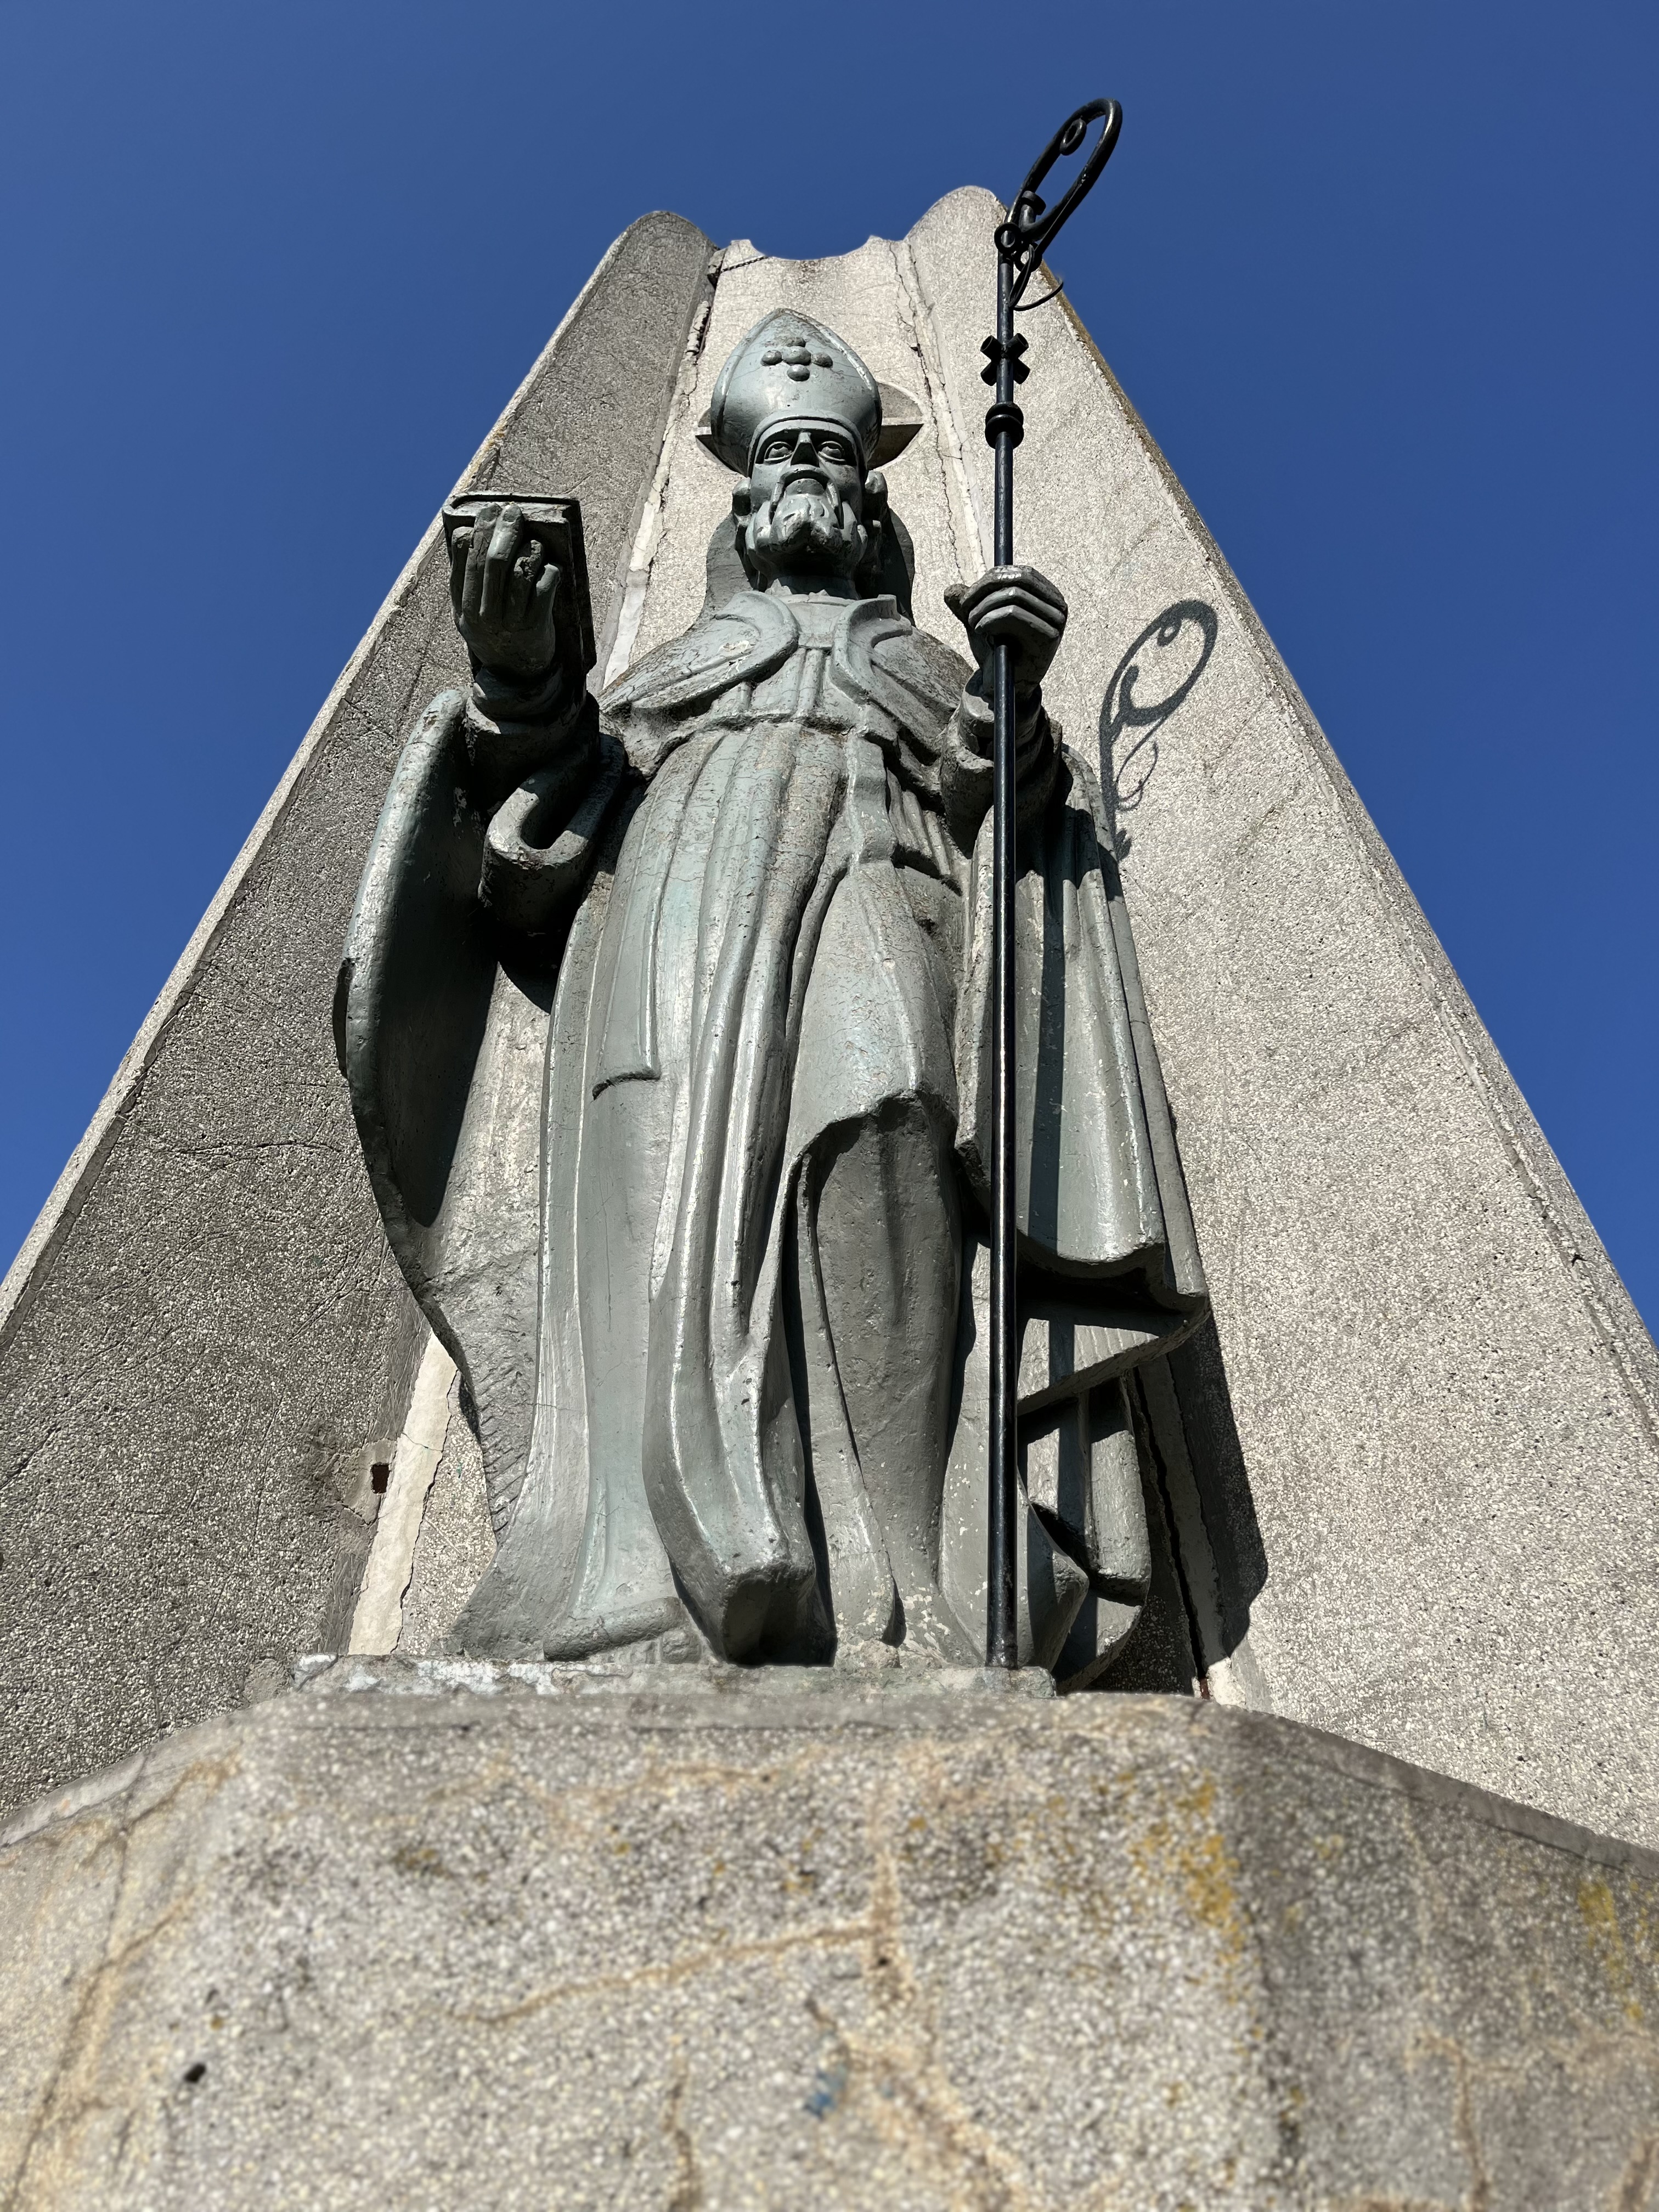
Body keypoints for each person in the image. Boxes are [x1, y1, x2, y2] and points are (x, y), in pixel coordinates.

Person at [339, 310, 1206, 1680]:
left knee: (895, 1121)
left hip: (881, 872)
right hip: (679, 909)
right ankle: (667, 1586)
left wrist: (1010, 690)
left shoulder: (919, 667)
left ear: (870, 504)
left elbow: (1003, 800)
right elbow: (555, 797)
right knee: (668, 1199)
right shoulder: (684, 668)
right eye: (783, 452)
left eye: (832, 452)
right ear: (742, 506)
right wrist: (522, 667)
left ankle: (911, 1594)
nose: (808, 467)